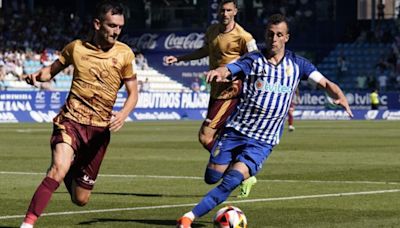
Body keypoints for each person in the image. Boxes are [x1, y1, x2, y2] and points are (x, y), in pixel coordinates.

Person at [176, 14, 353, 228]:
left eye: (279, 35)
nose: (274, 39)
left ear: (287, 37)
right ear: (265, 36)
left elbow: (324, 82)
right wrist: (219, 72)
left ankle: (188, 218)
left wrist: (339, 95)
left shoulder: (299, 65)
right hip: (236, 131)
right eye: (270, 34)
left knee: (231, 181)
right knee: (212, 176)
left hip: (263, 141)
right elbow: (230, 69)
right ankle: (240, 175)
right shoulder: (253, 60)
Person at [20, 1, 138, 227]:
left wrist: (123, 113)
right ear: (97, 24)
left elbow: (133, 93)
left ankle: (69, 168)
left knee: (80, 199)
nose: (116, 31)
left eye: (120, 27)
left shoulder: (125, 54)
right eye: (112, 25)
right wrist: (37, 76)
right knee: (57, 169)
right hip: (70, 121)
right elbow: (51, 71)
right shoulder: (76, 48)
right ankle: (28, 223)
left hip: (99, 132)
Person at [164, 0, 258, 198]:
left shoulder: (244, 37)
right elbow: (205, 50)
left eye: (228, 10)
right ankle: (240, 170)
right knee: (219, 137)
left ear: (235, 12)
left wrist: (236, 76)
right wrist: (180, 59)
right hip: (215, 92)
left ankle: (239, 169)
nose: (224, 13)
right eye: (222, 10)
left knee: (205, 136)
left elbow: (257, 62)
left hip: (231, 92)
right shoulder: (212, 30)